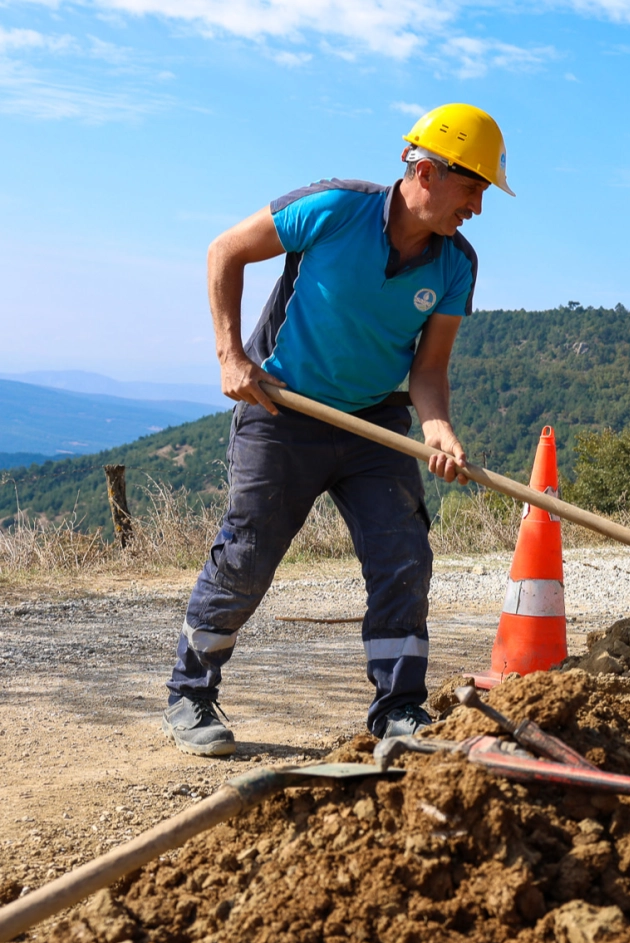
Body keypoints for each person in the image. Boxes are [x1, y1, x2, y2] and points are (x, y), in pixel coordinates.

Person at [160, 103, 515, 757]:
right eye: (474, 189)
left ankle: (398, 710)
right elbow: (225, 251)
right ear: (429, 172)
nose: (478, 208)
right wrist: (230, 356)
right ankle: (191, 693)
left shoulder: (455, 264)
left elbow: (429, 370)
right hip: (281, 412)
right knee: (246, 556)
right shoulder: (331, 208)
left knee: (402, 559)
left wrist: (437, 428)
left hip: (376, 424)